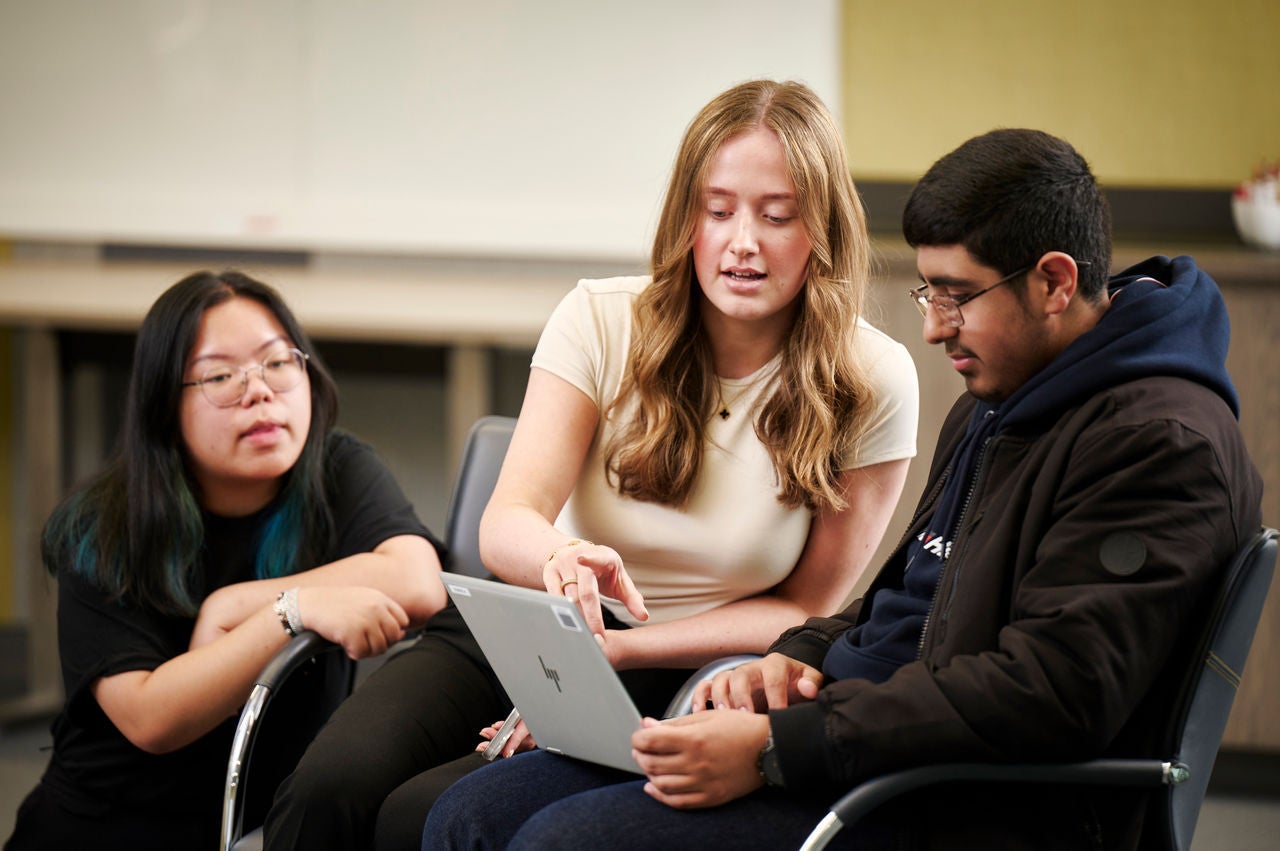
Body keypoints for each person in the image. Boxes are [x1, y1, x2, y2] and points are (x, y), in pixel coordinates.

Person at [421, 129, 1264, 850]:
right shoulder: (1012, 394)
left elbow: (1052, 694)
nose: (934, 325)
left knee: (553, 842)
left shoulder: (1159, 446)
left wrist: (775, 746)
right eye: (929, 291)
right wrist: (796, 658)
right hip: (865, 742)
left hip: (957, 795)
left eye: (959, 297)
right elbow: (900, 599)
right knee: (471, 814)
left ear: (1054, 281)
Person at [264, 79, 919, 851]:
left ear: (823, 229)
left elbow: (806, 610)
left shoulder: (873, 376)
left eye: (777, 216)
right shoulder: (601, 318)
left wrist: (615, 653)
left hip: (684, 667)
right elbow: (506, 521)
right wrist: (563, 557)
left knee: (423, 814)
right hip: (534, 620)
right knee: (326, 789)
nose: (744, 240)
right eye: (717, 211)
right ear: (686, 220)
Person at [4, 271, 448, 851]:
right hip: (109, 829)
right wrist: (291, 611)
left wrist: (233, 605)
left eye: (277, 363)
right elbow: (152, 717)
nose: (259, 391)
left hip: (260, 830)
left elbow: (419, 580)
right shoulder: (105, 522)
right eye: (219, 376)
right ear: (165, 405)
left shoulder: (336, 470)